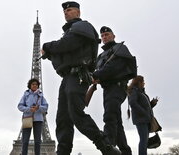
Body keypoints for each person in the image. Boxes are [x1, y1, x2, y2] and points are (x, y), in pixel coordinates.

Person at [41, 2, 121, 155]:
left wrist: (47, 46)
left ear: (78, 12)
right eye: (64, 11)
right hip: (68, 78)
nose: (66, 12)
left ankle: (106, 147)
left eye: (69, 10)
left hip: (77, 76)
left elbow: (66, 44)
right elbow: (63, 55)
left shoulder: (83, 27)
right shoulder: (73, 32)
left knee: (76, 114)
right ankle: (63, 152)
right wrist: (51, 53)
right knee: (63, 118)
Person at [91, 26, 134, 155]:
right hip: (108, 89)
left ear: (113, 36)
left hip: (117, 87)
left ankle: (108, 148)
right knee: (116, 120)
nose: (105, 37)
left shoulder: (120, 49)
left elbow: (113, 68)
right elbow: (100, 70)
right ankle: (125, 151)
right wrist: (96, 78)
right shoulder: (101, 55)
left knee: (109, 116)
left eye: (107, 34)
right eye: (103, 36)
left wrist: (96, 76)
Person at [127, 75, 158, 155]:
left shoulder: (141, 92)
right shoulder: (135, 91)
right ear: (139, 82)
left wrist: (152, 103)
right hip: (141, 120)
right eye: (143, 82)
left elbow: (146, 107)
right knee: (144, 140)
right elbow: (132, 103)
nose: (144, 83)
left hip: (145, 119)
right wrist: (144, 112)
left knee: (145, 140)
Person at [18, 78, 49, 155]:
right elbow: (19, 106)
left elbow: (46, 107)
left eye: (36, 84)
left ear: (38, 86)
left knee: (38, 141)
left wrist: (38, 107)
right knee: (25, 140)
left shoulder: (41, 95)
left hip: (38, 119)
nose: (35, 85)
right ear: (30, 85)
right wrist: (29, 109)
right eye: (33, 84)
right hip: (28, 118)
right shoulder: (26, 94)